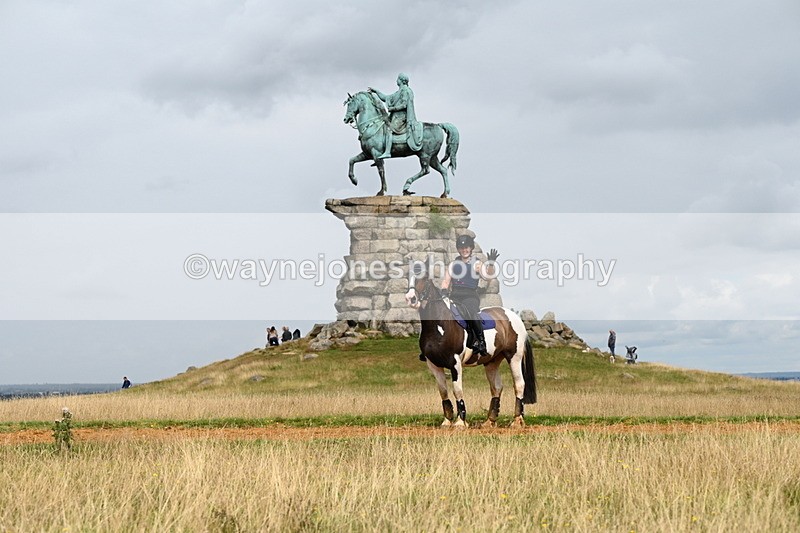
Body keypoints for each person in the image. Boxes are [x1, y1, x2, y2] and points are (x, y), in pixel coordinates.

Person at [441, 234, 499, 361]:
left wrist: (490, 264)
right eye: (462, 248)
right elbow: (446, 281)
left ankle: (481, 341)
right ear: (458, 249)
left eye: (466, 247)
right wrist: (444, 291)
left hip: (470, 296)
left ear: (471, 248)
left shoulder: (477, 264)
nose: (464, 250)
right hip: (455, 296)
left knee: (472, 314)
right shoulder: (453, 264)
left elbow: (487, 277)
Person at [368, 73, 423, 158]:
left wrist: (393, 109)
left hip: (401, 118)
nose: (396, 80)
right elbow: (385, 97)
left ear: (401, 80)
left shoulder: (406, 91)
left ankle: (387, 152)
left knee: (389, 129)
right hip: (395, 117)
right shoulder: (398, 92)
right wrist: (376, 91)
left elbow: (404, 105)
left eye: (397, 79)